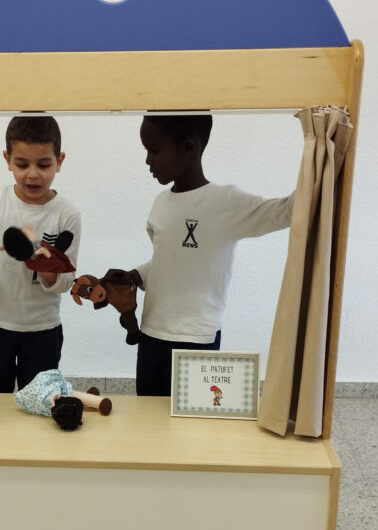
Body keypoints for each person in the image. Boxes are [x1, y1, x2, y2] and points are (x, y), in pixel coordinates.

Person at [109, 114, 294, 396]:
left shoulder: (226, 202)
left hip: (196, 339)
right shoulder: (160, 204)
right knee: (148, 413)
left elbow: (285, 211)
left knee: (190, 420)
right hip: (151, 335)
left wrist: (321, 162)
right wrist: (134, 276)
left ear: (188, 147)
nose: (148, 160)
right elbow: (166, 261)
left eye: (154, 150)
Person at [0, 115, 81, 392]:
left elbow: (65, 281)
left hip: (43, 330)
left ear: (60, 161)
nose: (33, 174)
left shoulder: (68, 214)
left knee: (39, 402)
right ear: (7, 159)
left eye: (44, 165)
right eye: (22, 164)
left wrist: (45, 267)